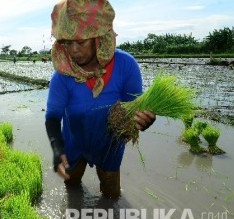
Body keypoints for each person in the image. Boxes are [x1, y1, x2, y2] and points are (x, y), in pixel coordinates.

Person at [45, 0, 156, 199]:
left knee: (112, 195)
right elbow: (53, 116)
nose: (74, 50)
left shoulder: (126, 66)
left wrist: (144, 121)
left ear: (98, 38)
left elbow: (135, 111)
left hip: (110, 148)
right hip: (73, 145)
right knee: (71, 188)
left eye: (80, 42)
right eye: (68, 42)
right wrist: (56, 147)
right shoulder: (62, 77)